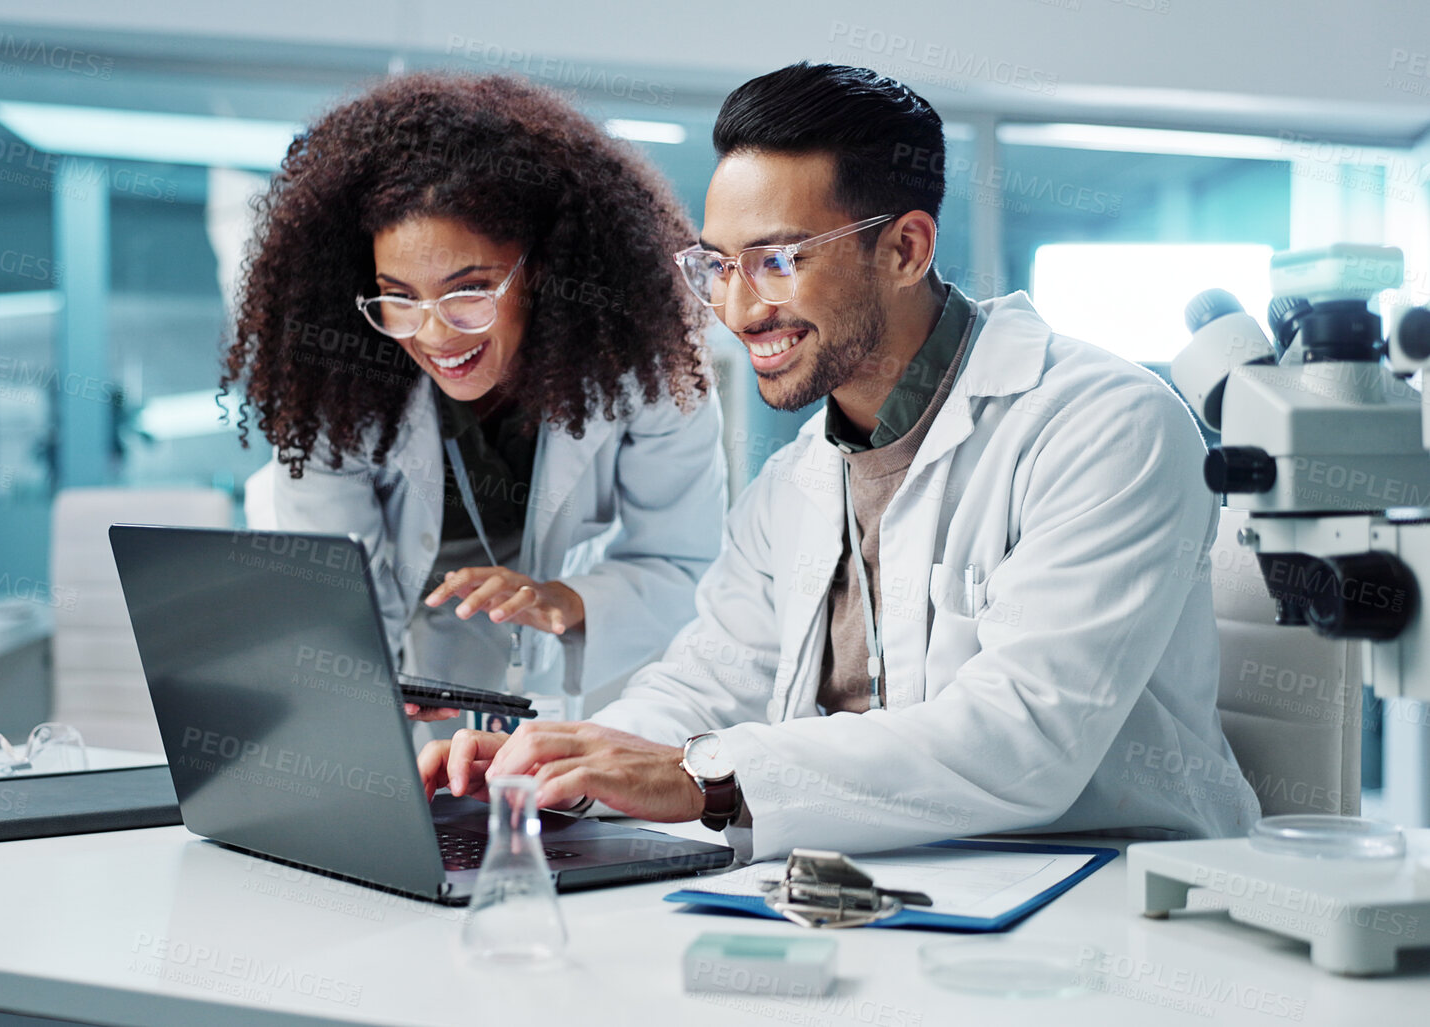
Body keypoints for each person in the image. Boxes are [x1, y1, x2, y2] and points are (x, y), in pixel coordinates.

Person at [421, 63, 1260, 859]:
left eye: (778, 260)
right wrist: (563, 771)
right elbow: (704, 687)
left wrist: (701, 778)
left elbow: (1022, 739)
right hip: (868, 889)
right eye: (716, 265)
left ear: (904, 249)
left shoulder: (1105, 425)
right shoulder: (793, 483)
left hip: (1105, 894)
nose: (737, 308)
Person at [224, 73, 726, 715]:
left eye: (468, 291)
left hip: (583, 660)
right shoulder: (334, 394)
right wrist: (366, 682)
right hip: (413, 655)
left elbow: (683, 563)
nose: (434, 333)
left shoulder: (646, 373)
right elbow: (337, 611)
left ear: (541, 268)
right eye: (398, 297)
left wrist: (563, 601)